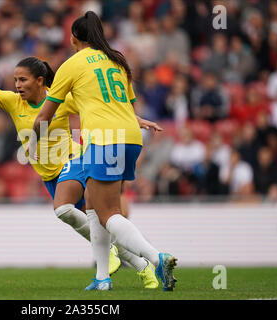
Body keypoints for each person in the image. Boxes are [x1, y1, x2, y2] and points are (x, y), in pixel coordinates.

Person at [0, 55, 160, 289]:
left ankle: (116, 257)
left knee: (66, 211)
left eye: (23, 80)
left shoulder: (60, 101)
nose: (17, 85)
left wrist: (135, 119)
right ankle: (143, 266)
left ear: (40, 80)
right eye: (15, 80)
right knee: (97, 226)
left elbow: (100, 109)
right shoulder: (12, 102)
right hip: (50, 175)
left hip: (74, 160)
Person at [33, 11, 177, 291]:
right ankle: (102, 277)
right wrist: (140, 120)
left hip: (103, 138)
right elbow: (121, 106)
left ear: (73, 37)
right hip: (130, 137)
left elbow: (44, 117)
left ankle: (155, 258)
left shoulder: (71, 64)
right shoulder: (118, 60)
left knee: (107, 212)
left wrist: (31, 142)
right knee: (93, 207)